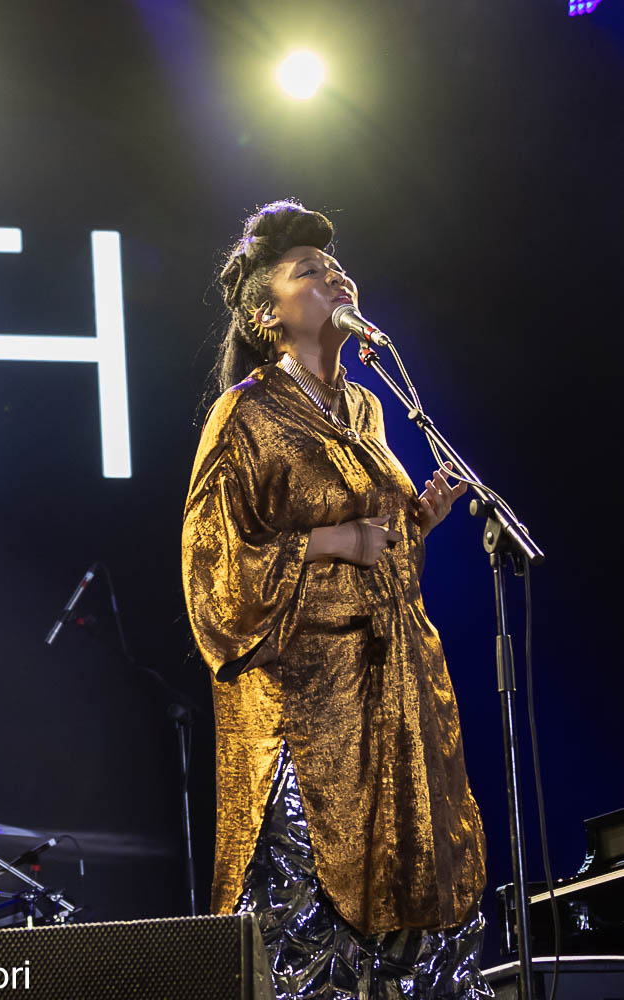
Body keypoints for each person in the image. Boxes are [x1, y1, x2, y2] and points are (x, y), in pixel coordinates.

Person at [181, 199, 491, 998]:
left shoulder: (365, 405)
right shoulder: (245, 413)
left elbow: (379, 549)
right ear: (267, 314)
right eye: (309, 272)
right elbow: (213, 571)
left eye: (336, 265)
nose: (334, 276)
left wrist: (416, 521)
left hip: (395, 698)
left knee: (414, 926)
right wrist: (327, 542)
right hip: (308, 715)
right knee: (310, 933)